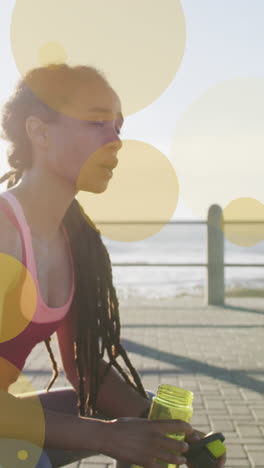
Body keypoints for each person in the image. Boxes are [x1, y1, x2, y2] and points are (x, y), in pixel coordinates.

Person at [0, 64, 226, 468]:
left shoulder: (75, 240)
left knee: (123, 417)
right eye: (96, 122)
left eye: (118, 127)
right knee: (26, 459)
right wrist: (107, 436)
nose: (116, 141)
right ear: (40, 132)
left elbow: (84, 370)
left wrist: (162, 433)